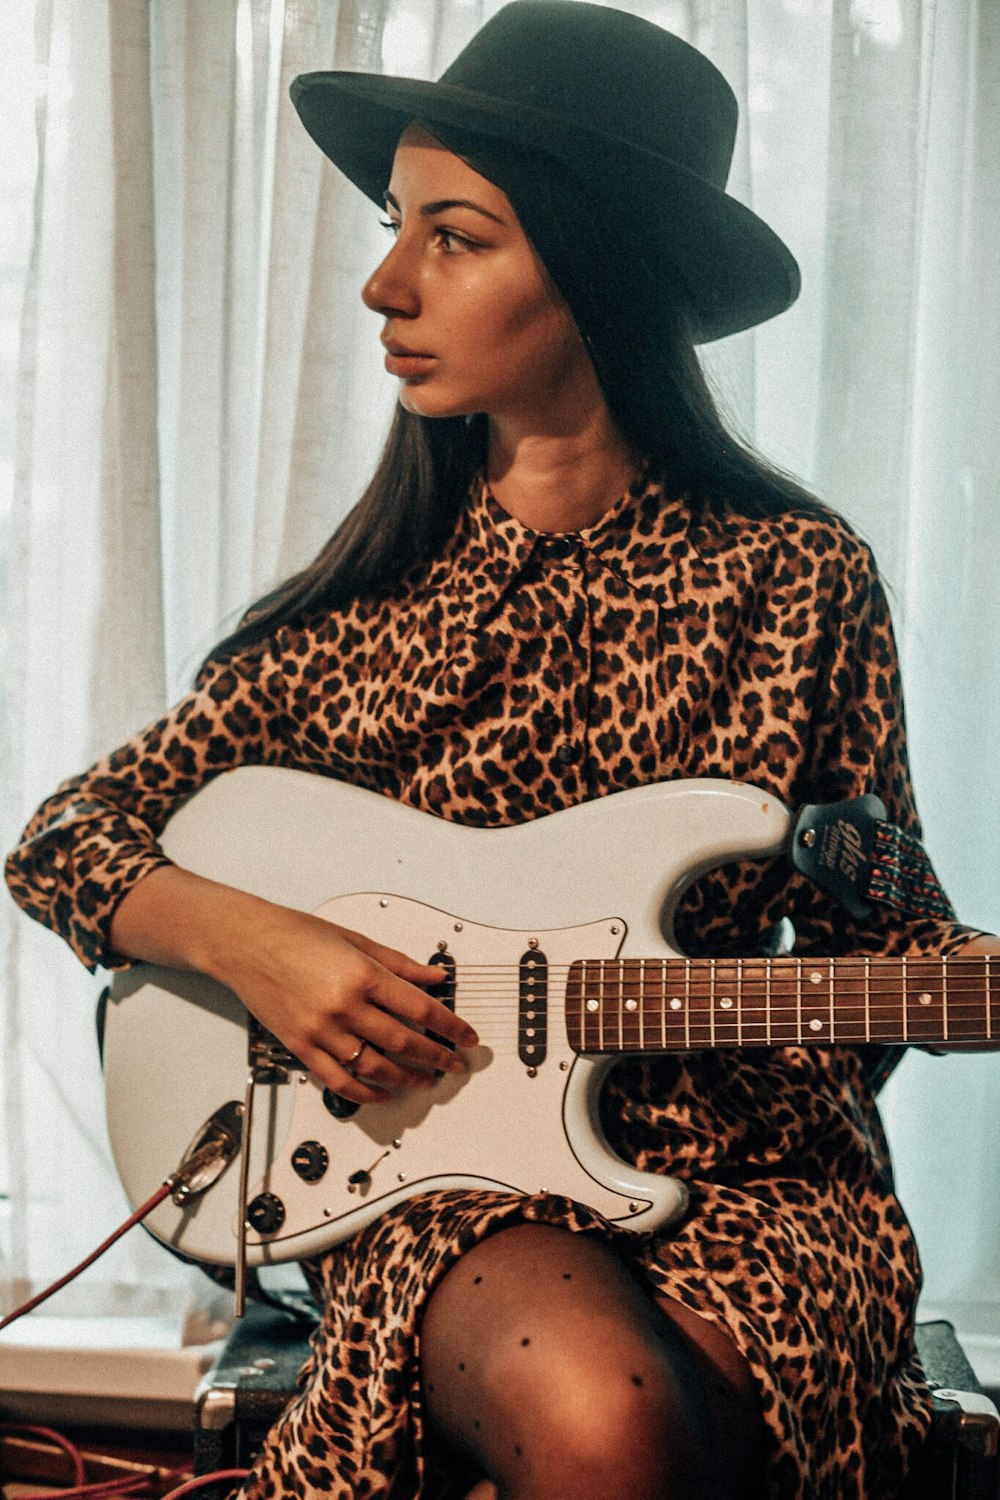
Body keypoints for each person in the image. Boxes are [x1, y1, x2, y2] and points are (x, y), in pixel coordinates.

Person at [5, 4, 999, 1497]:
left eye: (452, 236)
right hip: (453, 1184)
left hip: (757, 1186)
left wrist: (770, 1010)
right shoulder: (362, 611)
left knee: (634, 1439)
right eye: (396, 227)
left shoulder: (798, 575)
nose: (382, 280)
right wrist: (272, 951)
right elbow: (62, 840)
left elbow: (880, 935)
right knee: (604, 1424)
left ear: (601, 265)